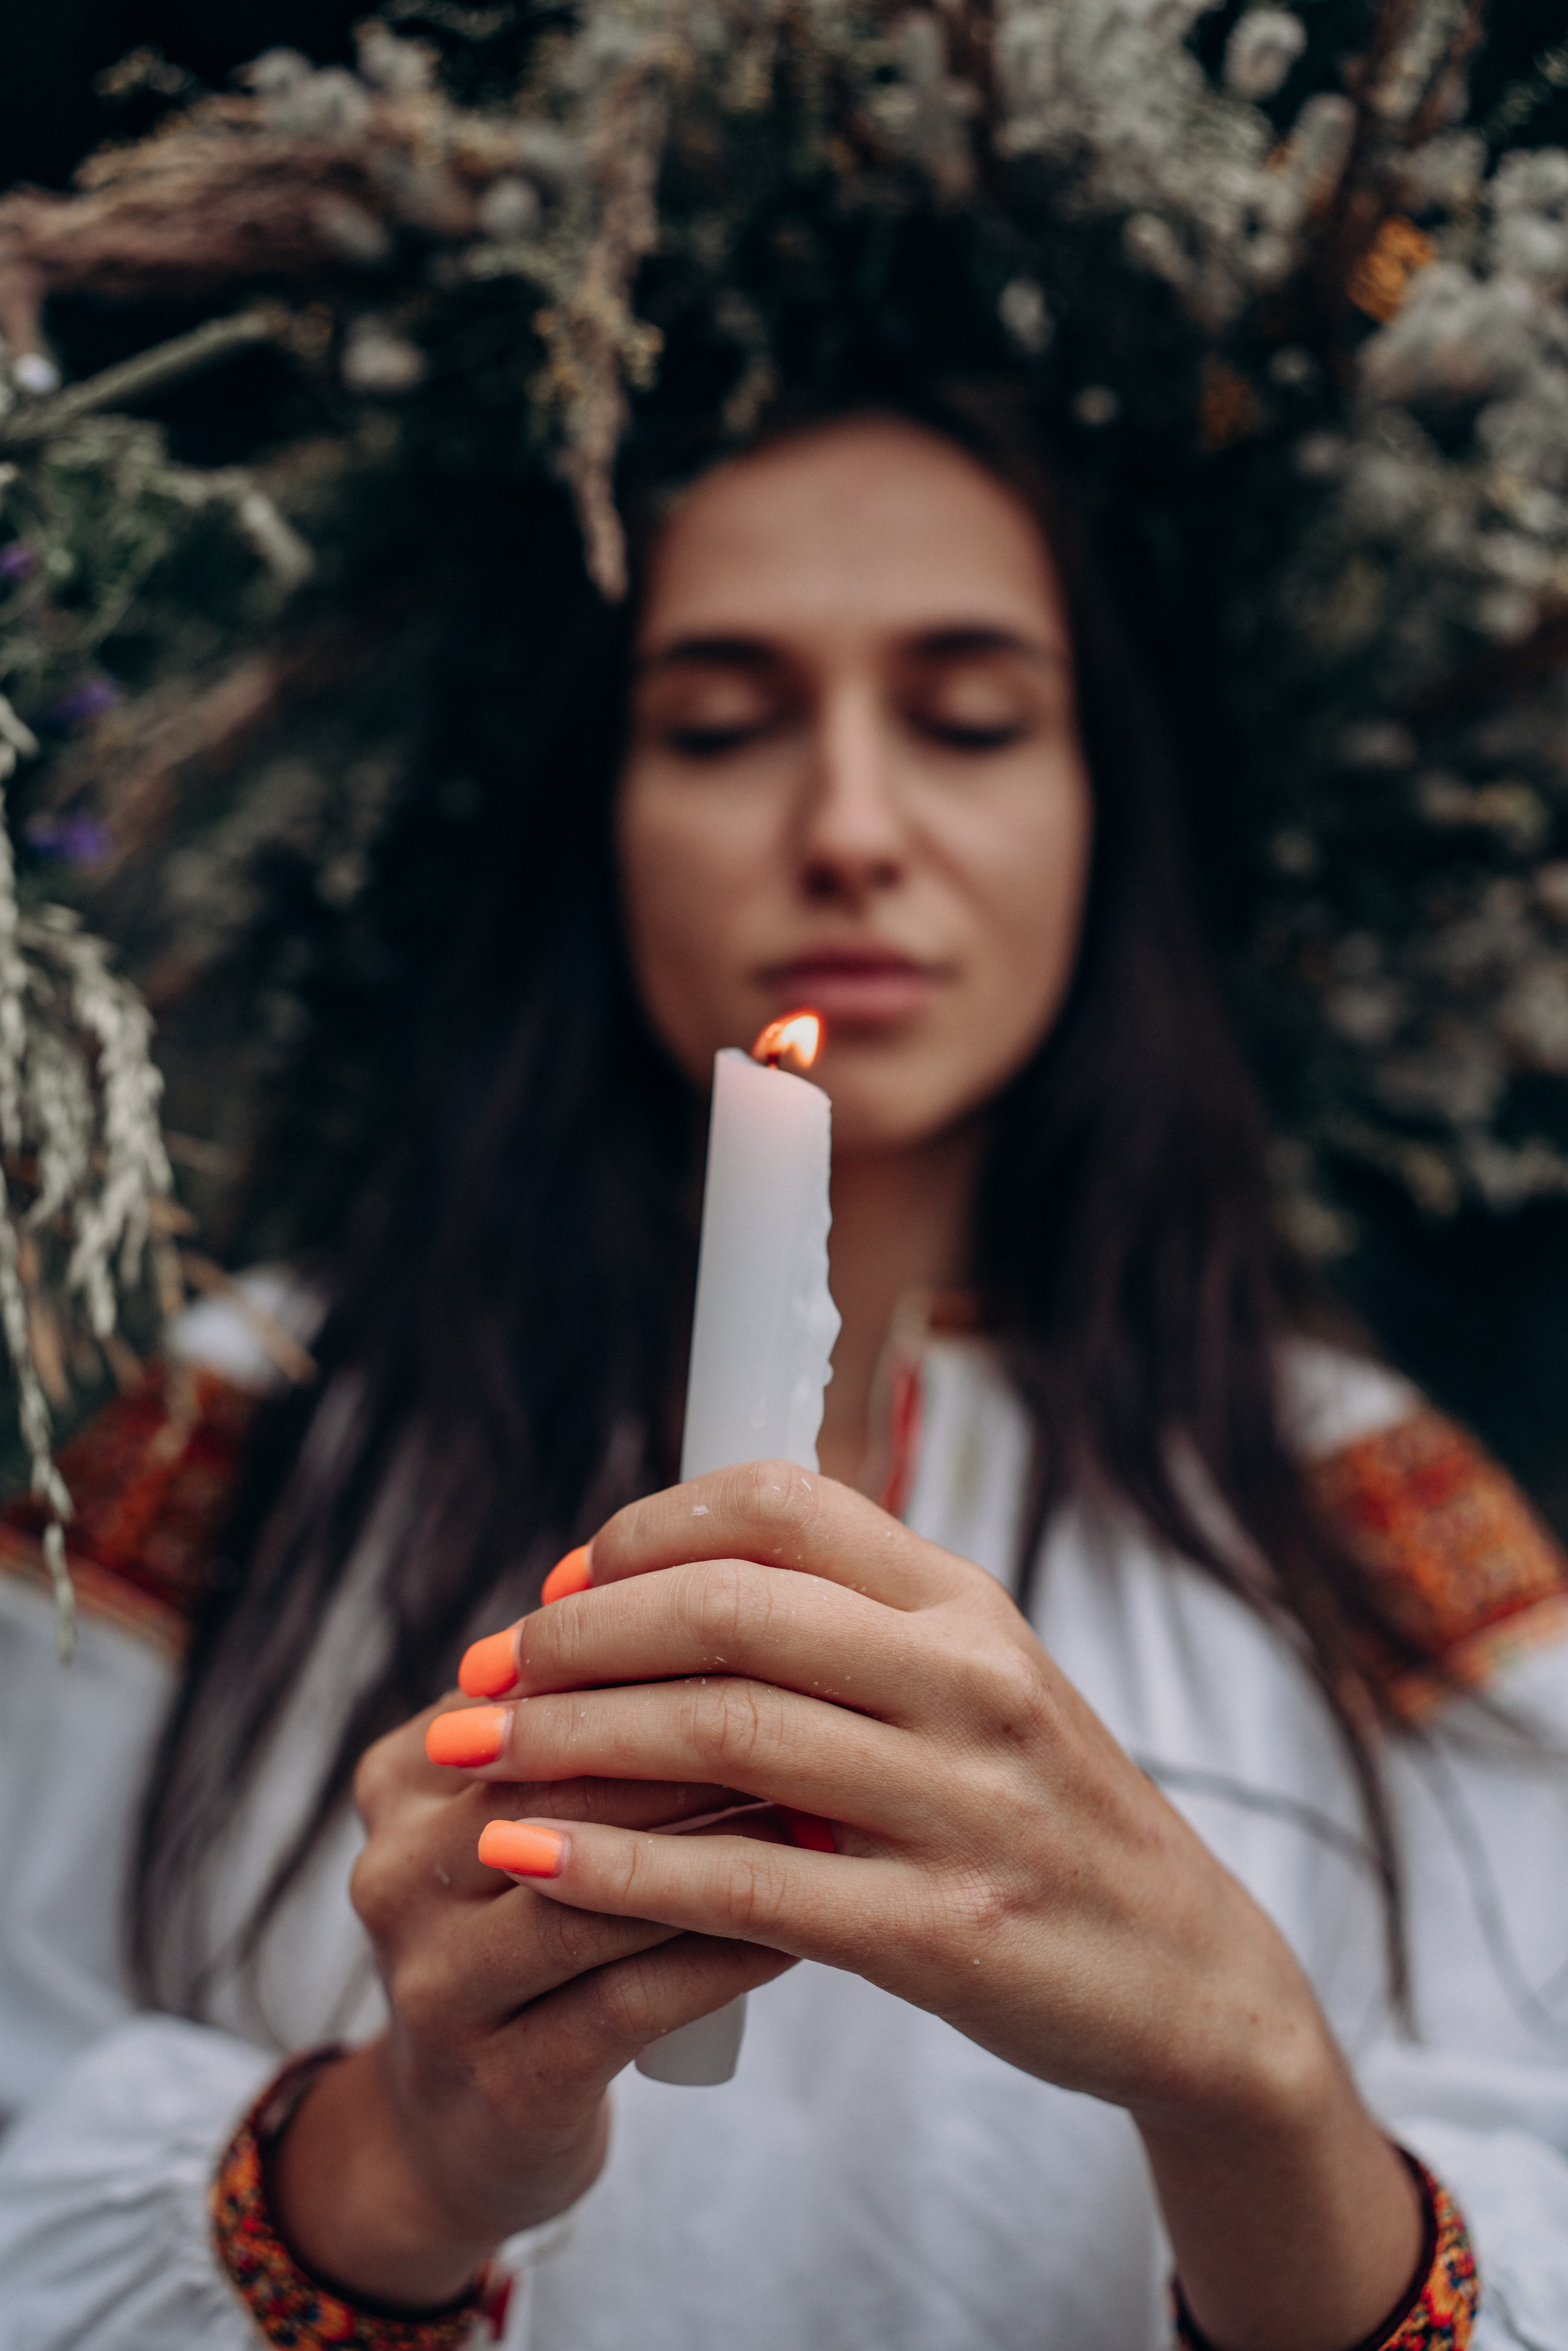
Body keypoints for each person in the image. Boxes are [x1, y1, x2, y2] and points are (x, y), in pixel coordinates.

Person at [0, 393, 1564, 2351]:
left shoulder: (1365, 1520)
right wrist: (406, 2155)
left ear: (1107, 805)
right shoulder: (250, 1439)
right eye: (722, 726)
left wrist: (1253, 2081)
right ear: (595, 809)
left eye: (972, 719)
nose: (847, 828)